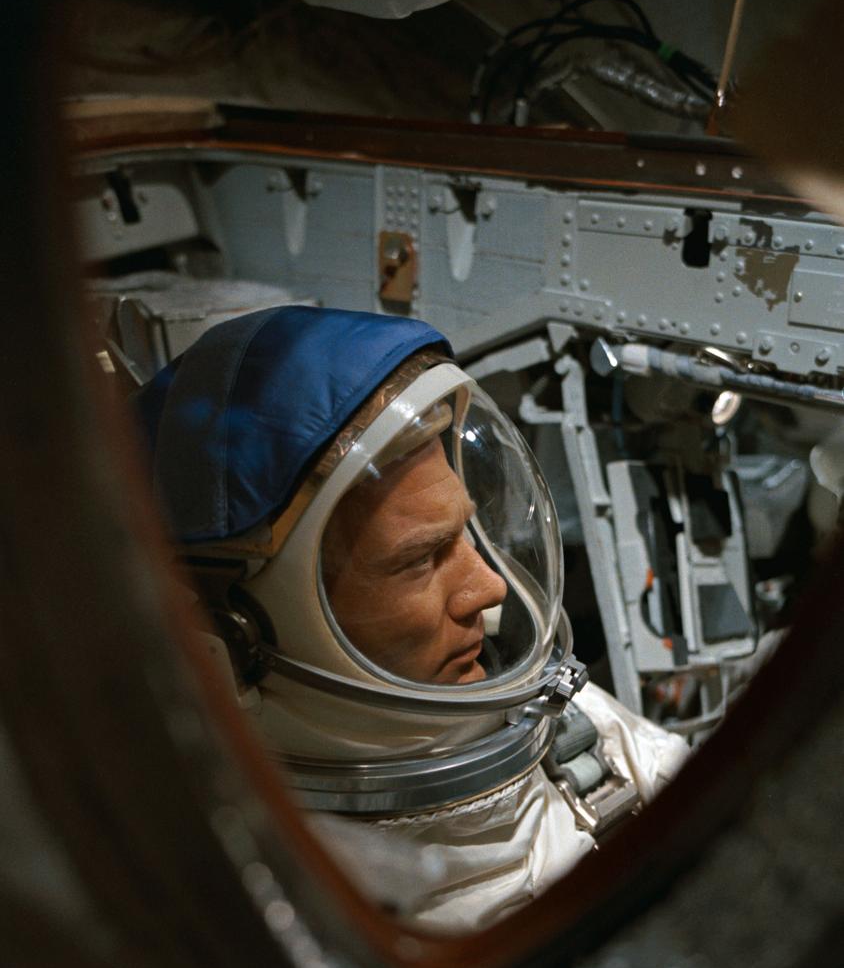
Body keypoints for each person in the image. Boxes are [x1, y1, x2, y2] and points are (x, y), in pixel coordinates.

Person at [136, 305, 686, 931]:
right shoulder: (261, 923)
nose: (488, 590)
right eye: (421, 559)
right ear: (234, 636)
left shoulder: (576, 734)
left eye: (465, 536)